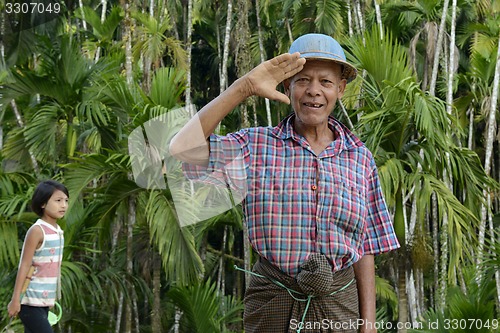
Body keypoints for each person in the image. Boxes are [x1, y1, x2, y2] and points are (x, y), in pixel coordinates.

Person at [170, 33, 400, 333]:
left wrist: (368, 325)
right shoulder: (255, 147)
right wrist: (246, 87)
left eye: (325, 82)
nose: (313, 91)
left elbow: (365, 246)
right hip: (272, 305)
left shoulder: (359, 158)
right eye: (302, 80)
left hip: (338, 307)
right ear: (287, 85)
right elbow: (182, 149)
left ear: (340, 89)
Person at [7, 180, 68, 333]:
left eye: (66, 200)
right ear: (42, 203)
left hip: (44, 303)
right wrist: (15, 300)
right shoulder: (37, 230)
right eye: (58, 200)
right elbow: (24, 265)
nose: (63, 205)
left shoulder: (58, 230)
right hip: (29, 302)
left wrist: (52, 297)